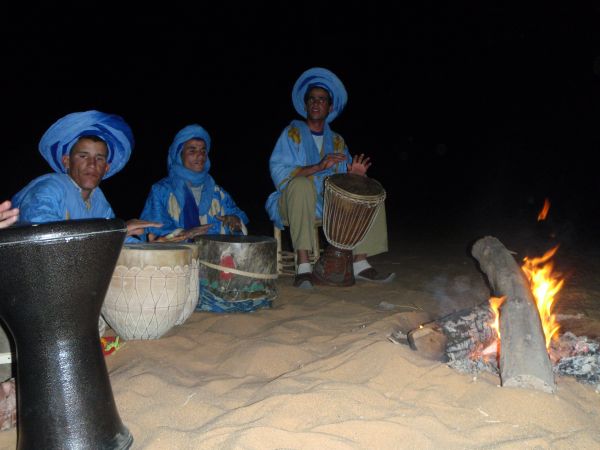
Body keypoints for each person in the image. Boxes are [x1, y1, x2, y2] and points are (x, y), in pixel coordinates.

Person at [266, 67, 394, 289]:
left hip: (327, 205)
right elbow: (278, 170)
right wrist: (318, 166)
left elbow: (343, 182)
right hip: (292, 202)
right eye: (312, 99)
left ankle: (359, 262)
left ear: (330, 107)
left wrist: (354, 175)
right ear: (306, 105)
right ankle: (303, 267)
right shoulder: (291, 134)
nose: (316, 103)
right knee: (301, 185)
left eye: (322, 99)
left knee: (368, 193)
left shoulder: (337, 141)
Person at [11, 110, 160, 237]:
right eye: (83, 156)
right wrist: (117, 231)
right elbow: (43, 237)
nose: (92, 164)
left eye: (99, 158)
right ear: (67, 161)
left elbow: (115, 242)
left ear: (106, 168)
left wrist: (153, 246)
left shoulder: (99, 202)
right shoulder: (49, 189)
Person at [140, 124, 248, 242]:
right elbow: (152, 230)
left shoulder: (218, 193)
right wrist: (185, 234)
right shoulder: (161, 191)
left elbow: (238, 222)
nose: (200, 155)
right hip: (176, 254)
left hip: (215, 253)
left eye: (203, 151)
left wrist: (236, 222)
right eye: (192, 150)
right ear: (179, 154)